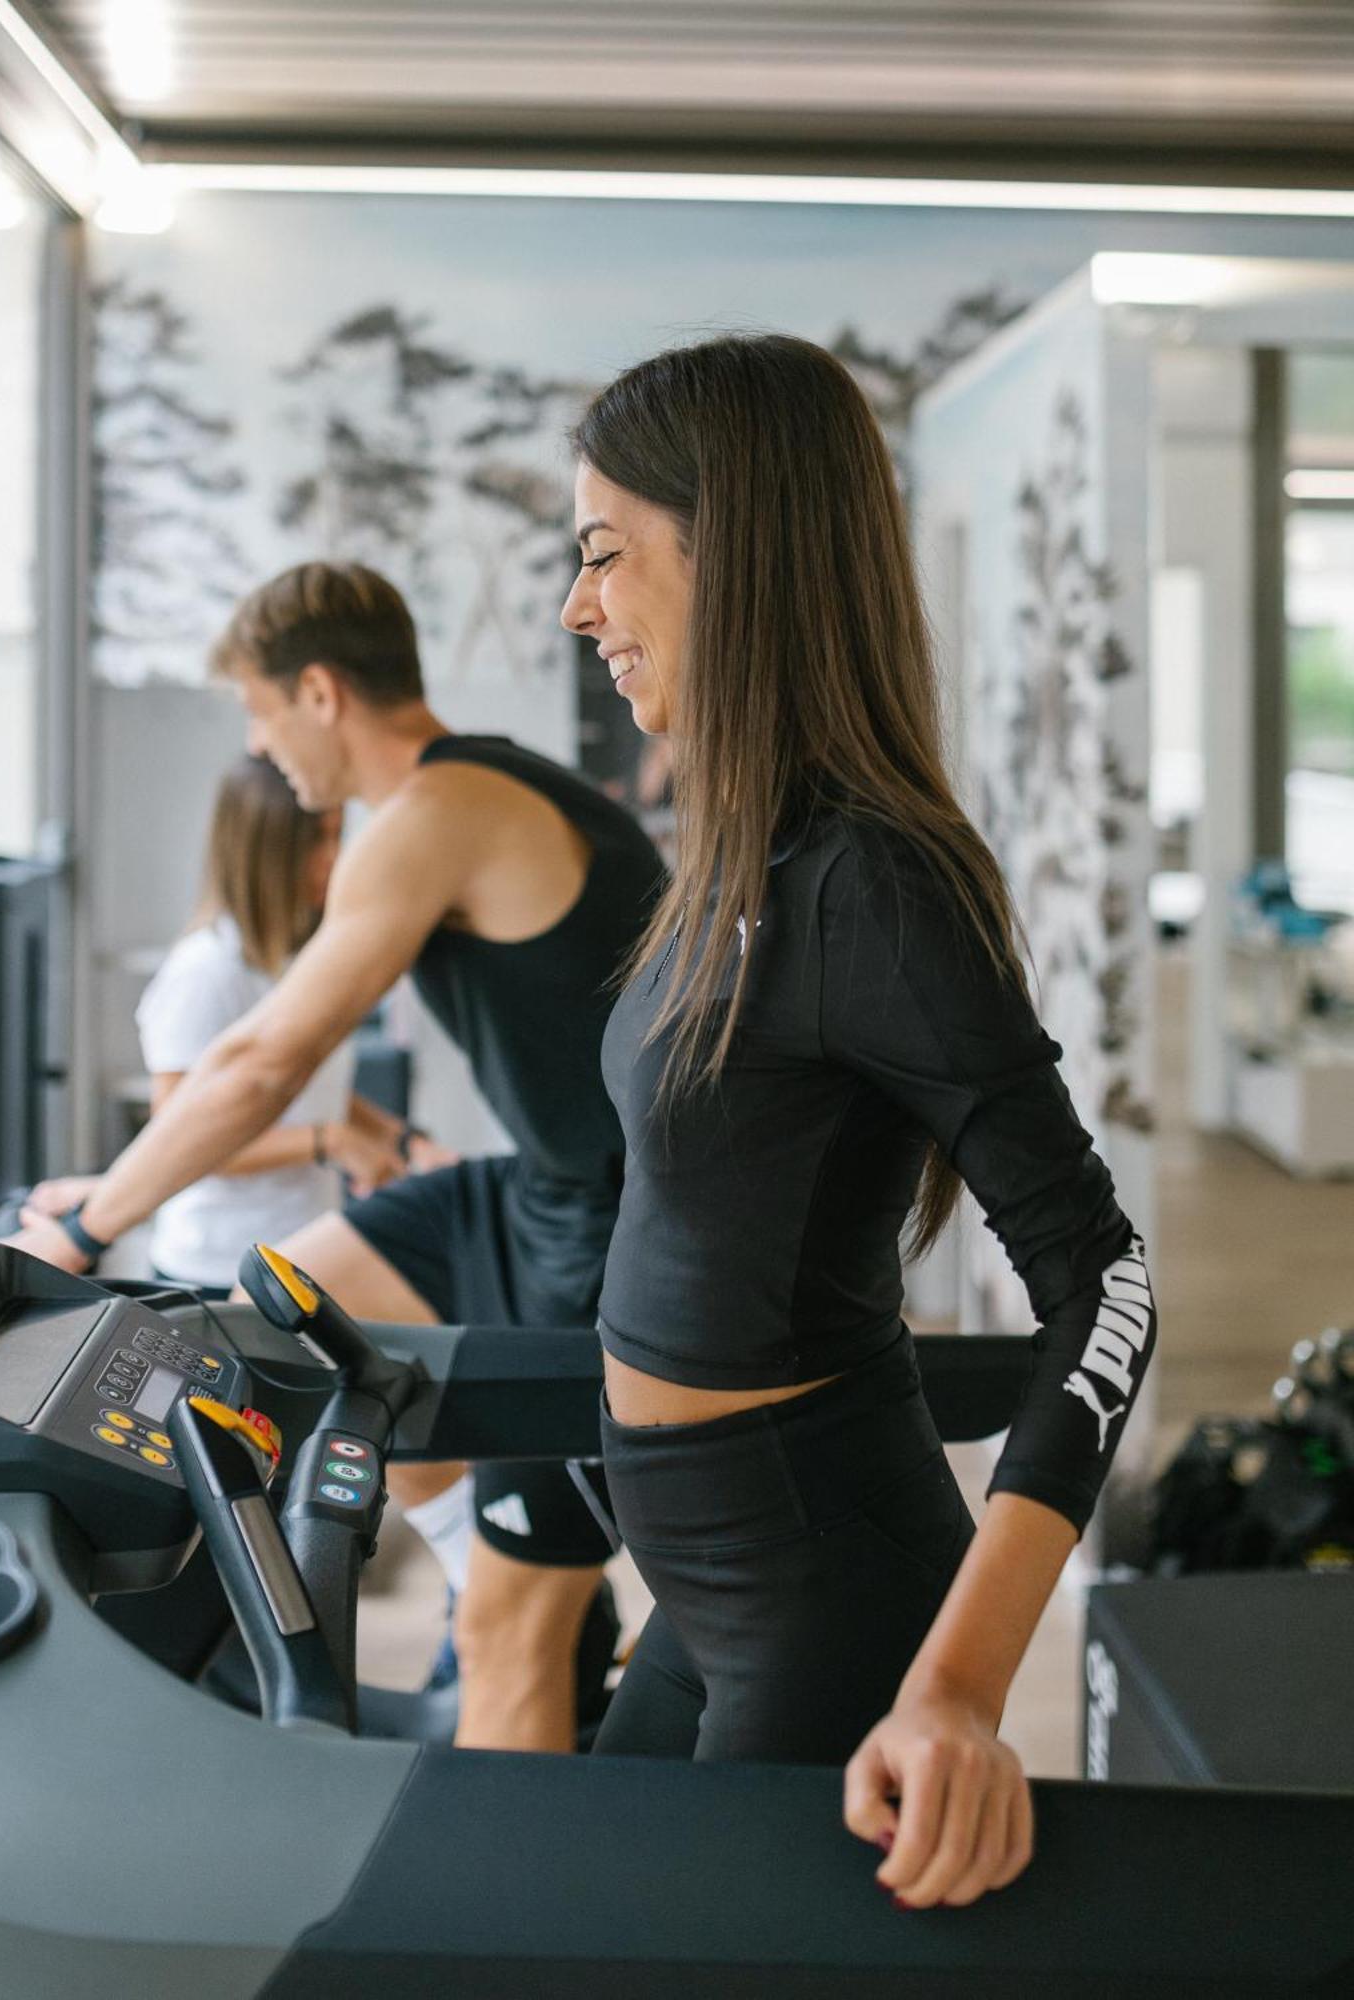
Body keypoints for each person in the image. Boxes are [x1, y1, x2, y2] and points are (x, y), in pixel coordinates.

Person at [559, 334, 1155, 1909]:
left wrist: (960, 1687)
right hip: (701, 1580)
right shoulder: (729, 853)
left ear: (733, 554)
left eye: (606, 556)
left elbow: (1111, 1285)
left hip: (822, 1580)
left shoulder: (871, 887)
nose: (580, 608)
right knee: (567, 1923)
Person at [9, 560, 664, 1751]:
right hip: (542, 1193)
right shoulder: (467, 789)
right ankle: (483, 1555)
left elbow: (262, 1058)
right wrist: (102, 1188)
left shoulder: (429, 816)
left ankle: (496, 1915)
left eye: (260, 717)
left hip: (623, 1239)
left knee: (517, 1639)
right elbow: (227, 1065)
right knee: (294, 1312)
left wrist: (92, 1229)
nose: (264, 752)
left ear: (318, 691)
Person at [26, 757, 405, 1299]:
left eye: (339, 835)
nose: (335, 859)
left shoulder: (296, 964)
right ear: (270, 854)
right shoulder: (204, 973)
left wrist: (402, 1141)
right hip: (215, 1266)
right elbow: (181, 1137)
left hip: (298, 1251)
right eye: (321, 841)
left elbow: (313, 1089)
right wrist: (331, 1142)